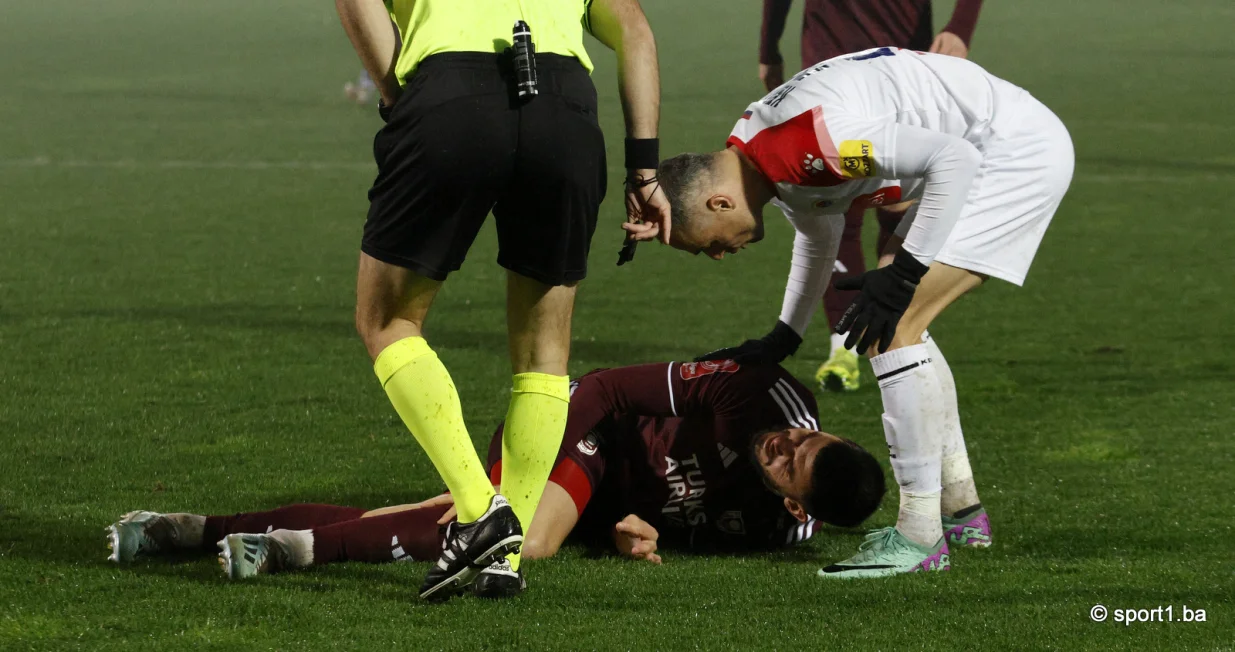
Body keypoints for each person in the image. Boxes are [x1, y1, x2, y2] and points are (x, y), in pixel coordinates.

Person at [655, 47, 1073, 577]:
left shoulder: (802, 144)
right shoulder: (763, 154)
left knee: (894, 326)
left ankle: (920, 537)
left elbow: (954, 160)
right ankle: (961, 512)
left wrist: (902, 276)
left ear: (718, 204)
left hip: (1010, 153)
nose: (716, 256)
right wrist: (786, 335)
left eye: (703, 246)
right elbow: (818, 235)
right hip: (999, 144)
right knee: (898, 325)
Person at [333, 0, 669, 600]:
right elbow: (636, 32)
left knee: (386, 320)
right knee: (545, 353)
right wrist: (644, 171)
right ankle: (504, 556)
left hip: (452, 93)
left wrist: (396, 97)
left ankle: (480, 513)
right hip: (566, 104)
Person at [106, 361, 887, 596]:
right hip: (580, 423)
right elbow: (609, 387)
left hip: (596, 494)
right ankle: (293, 550)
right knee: (521, 537)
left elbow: (671, 525)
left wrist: (632, 532)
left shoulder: (772, 529)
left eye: (796, 462)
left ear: (794, 502)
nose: (787, 441)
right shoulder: (760, 393)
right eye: (807, 438)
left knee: (432, 513)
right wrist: (521, 471)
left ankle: (199, 530)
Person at [758, 0, 983, 393]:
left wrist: (961, 26)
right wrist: (769, 46)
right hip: (829, 59)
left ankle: (894, 325)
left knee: (901, 202)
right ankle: (842, 345)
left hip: (903, 66)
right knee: (834, 202)